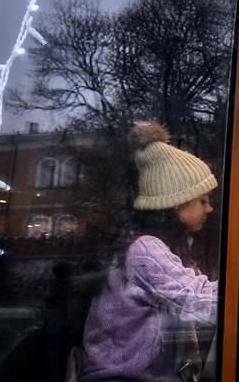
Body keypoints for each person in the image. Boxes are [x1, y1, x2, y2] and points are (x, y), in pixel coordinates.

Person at [77, 122, 219, 382]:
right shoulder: (145, 250)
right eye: (203, 200)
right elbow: (199, 302)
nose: (209, 209)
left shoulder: (158, 246)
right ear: (177, 203)